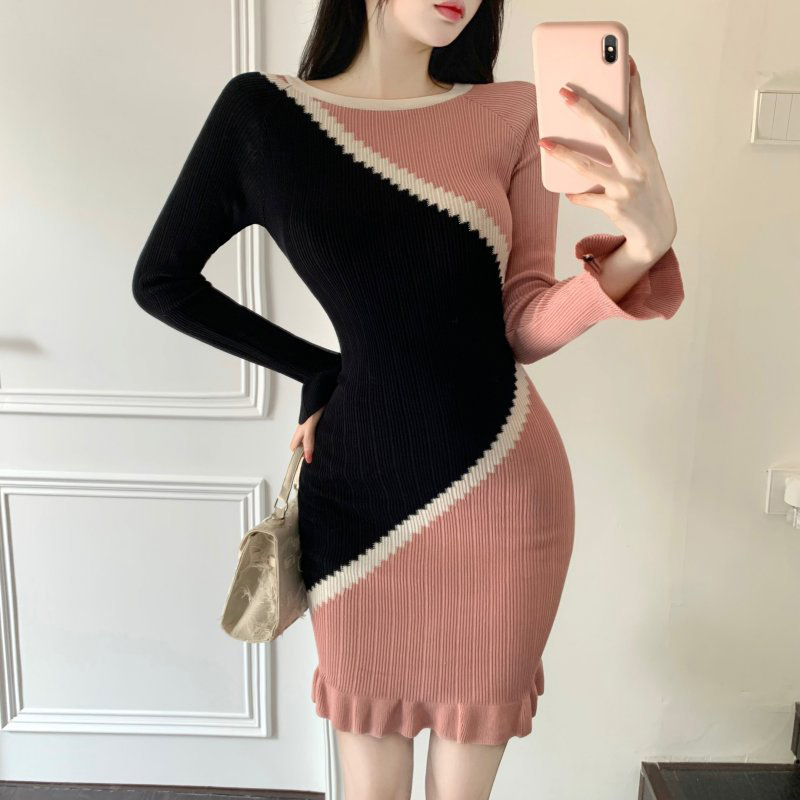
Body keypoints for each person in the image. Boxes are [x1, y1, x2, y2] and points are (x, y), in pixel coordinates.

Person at [132, 0, 684, 797]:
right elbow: (163, 280)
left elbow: (523, 322)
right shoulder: (264, 116)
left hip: (504, 491)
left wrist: (640, 249)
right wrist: (322, 368)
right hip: (357, 503)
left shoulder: (513, 114)